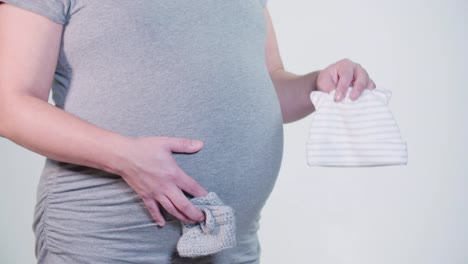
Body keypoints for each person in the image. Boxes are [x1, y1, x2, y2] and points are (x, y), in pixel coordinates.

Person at [0, 0, 376, 263]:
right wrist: (126, 157)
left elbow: (269, 85)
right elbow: (9, 104)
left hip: (229, 243)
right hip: (108, 242)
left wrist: (319, 84)